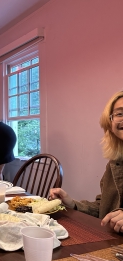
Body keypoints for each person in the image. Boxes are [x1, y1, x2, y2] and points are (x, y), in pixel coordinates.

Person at [50, 91, 123, 233]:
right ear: (110, 122)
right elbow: (104, 207)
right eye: (119, 114)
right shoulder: (115, 164)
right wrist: (72, 204)